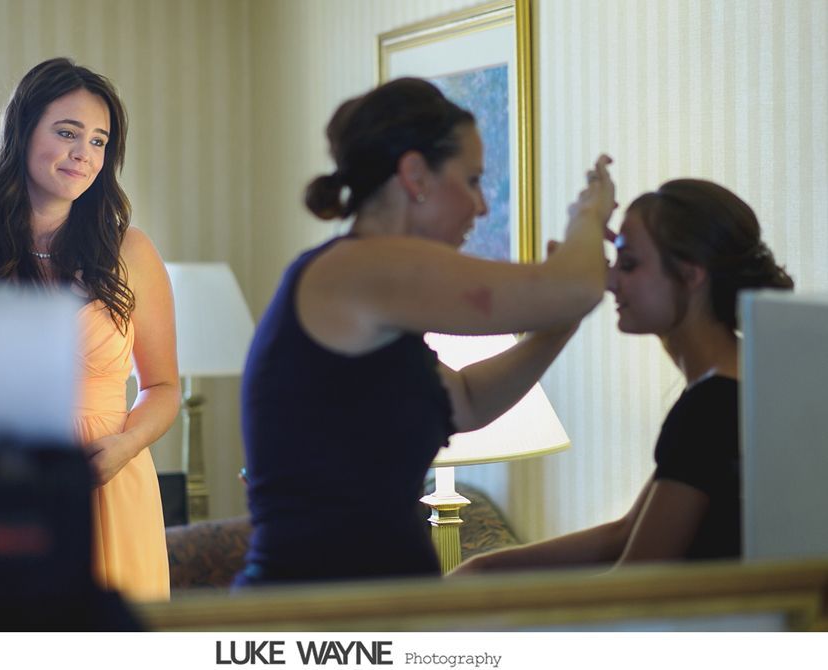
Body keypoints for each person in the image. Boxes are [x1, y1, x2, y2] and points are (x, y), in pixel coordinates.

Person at [234, 77, 616, 587]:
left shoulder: (374, 290)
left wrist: (557, 329)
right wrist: (589, 214)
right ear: (415, 174)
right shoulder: (363, 269)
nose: (481, 207)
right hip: (322, 608)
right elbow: (573, 286)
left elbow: (466, 401)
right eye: (473, 180)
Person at [452, 179, 794, 575]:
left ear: (691, 275)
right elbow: (626, 532)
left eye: (628, 264)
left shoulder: (710, 407)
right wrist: (484, 568)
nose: (610, 281)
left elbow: (634, 582)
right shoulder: (742, 381)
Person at [0, 57, 179, 601]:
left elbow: (164, 388)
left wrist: (124, 445)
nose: (83, 155)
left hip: (113, 484)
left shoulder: (130, 251)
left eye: (99, 141)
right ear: (23, 132)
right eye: (67, 133)